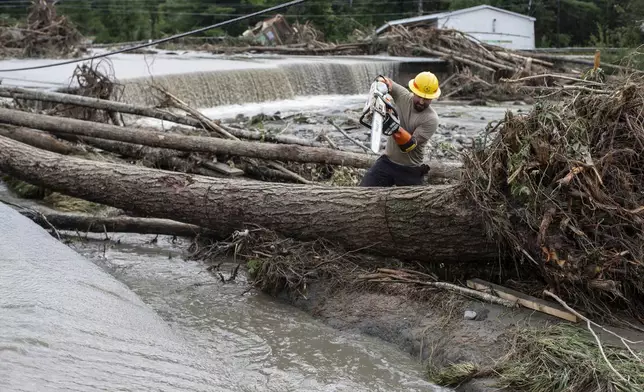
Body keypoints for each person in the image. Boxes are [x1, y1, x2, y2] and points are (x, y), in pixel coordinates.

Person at [359, 71, 440, 187]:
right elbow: (384, 81)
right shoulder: (403, 96)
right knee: (363, 192)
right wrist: (378, 91)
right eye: (419, 97)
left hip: (411, 169)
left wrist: (391, 124)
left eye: (426, 99)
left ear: (433, 97)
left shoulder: (431, 119)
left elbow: (409, 145)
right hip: (387, 162)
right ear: (414, 91)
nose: (422, 102)